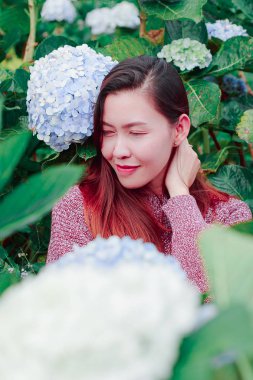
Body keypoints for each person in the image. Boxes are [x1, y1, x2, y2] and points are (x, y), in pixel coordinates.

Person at [47, 56, 252, 293]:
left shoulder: (228, 214)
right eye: (108, 132)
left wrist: (180, 197)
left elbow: (208, 303)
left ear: (179, 129)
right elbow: (60, 310)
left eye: (136, 132)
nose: (118, 151)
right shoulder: (79, 206)